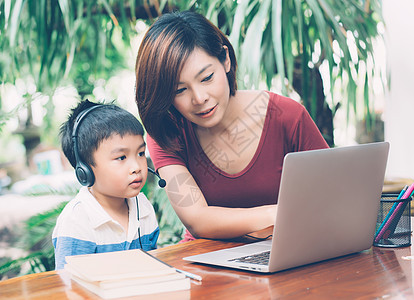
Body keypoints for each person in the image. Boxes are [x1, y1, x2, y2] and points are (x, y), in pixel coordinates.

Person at [135, 11, 328, 242]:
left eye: (206, 78)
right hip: (206, 263)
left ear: (225, 59)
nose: (199, 98)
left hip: (285, 255)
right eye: (179, 90)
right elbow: (198, 220)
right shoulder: (166, 132)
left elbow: (330, 198)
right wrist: (278, 213)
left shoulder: (287, 116)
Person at [52, 100, 159, 269]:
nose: (137, 167)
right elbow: (70, 286)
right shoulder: (77, 221)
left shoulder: (143, 207)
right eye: (121, 158)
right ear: (84, 170)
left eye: (140, 153)